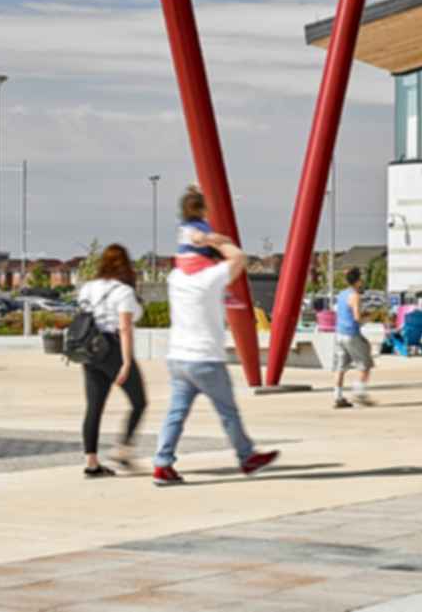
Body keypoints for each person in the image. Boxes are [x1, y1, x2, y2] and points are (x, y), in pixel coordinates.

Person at [152, 185, 278, 486]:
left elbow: (189, 252)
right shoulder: (209, 278)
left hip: (178, 357)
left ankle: (162, 463)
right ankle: (247, 457)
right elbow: (239, 258)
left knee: (176, 413)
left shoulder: (176, 278)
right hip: (205, 358)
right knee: (227, 412)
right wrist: (219, 239)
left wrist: (195, 238)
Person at [76, 244, 146, 477]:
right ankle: (123, 449)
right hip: (113, 349)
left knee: (94, 407)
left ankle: (91, 463)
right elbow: (124, 327)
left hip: (89, 350)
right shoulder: (123, 291)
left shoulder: (88, 288)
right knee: (139, 401)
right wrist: (126, 362)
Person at [332, 265, 374, 410]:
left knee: (340, 367)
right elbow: (357, 317)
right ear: (358, 281)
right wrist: (368, 317)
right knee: (364, 364)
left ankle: (338, 397)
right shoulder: (355, 296)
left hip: (339, 334)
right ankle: (359, 392)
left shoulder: (342, 294)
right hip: (352, 334)